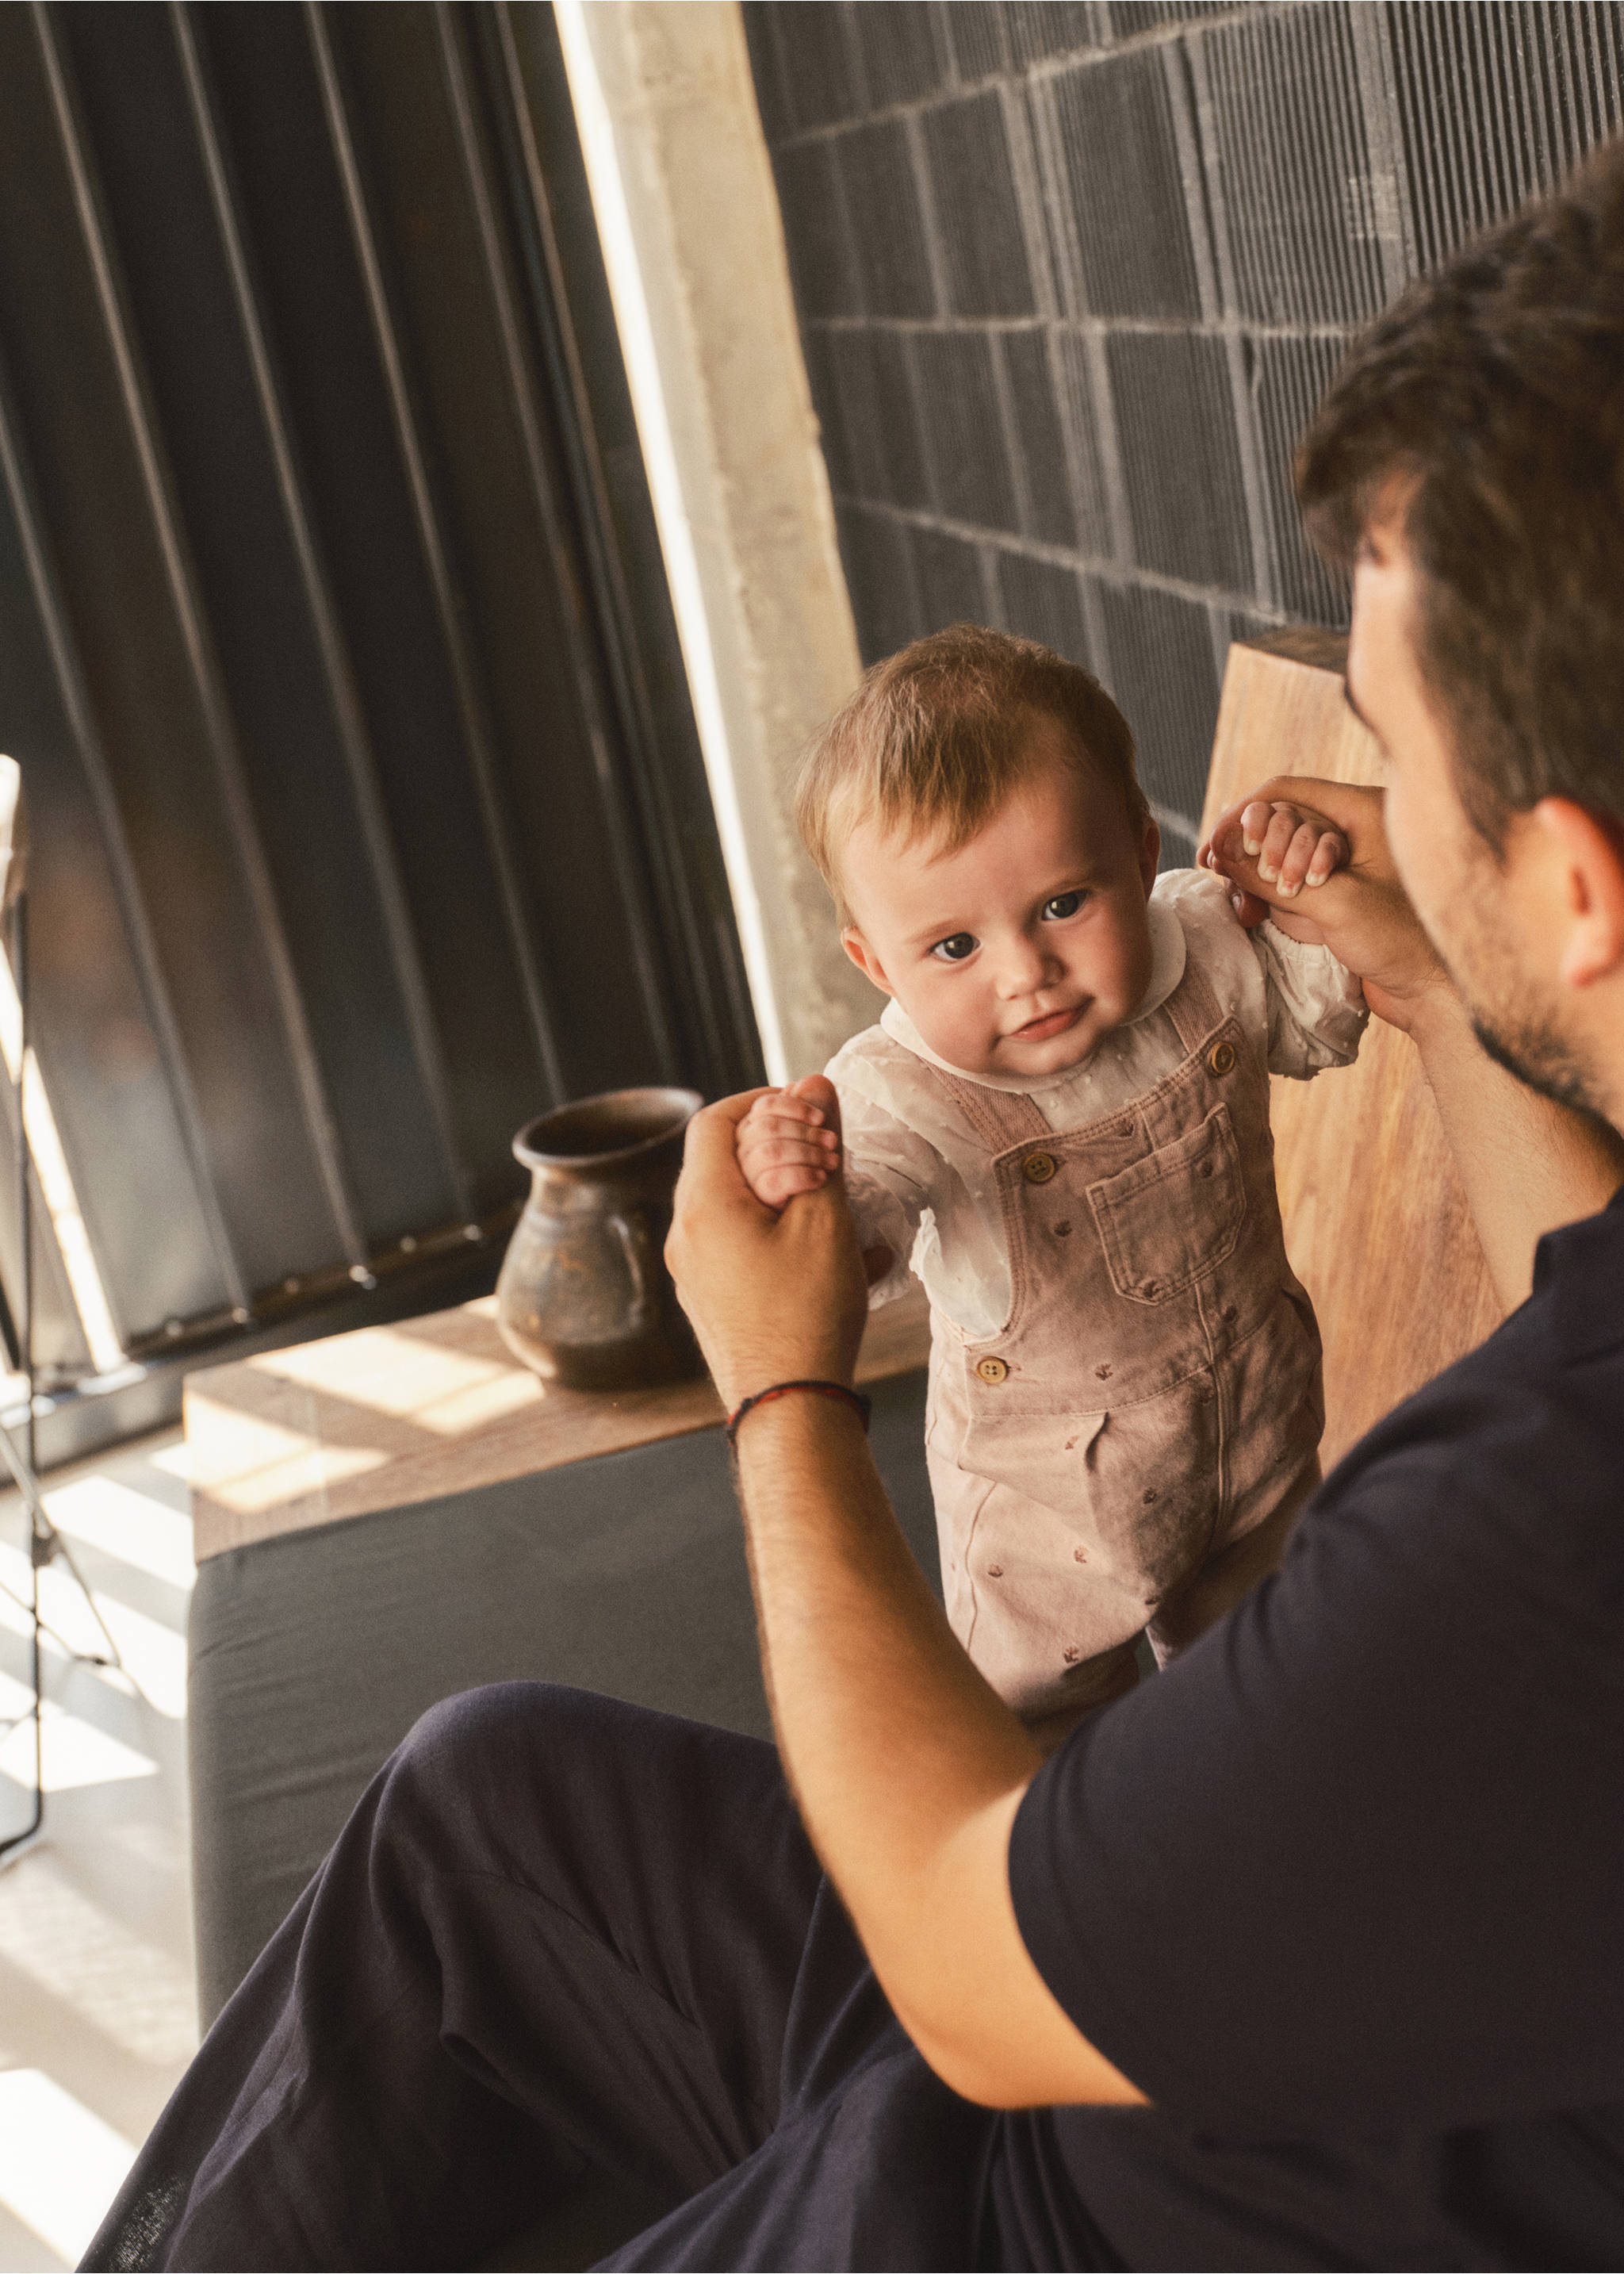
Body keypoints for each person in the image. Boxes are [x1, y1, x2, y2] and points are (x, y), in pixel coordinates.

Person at [87, 144, 1624, 2272]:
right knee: (477, 1802)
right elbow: (1565, 1288)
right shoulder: (1559, 1420)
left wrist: (781, 1389)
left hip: (1052, 2184)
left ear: (1573, 880)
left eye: (1400, 738)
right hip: (1158, 1985)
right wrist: (1438, 978)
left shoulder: (1535, 1538)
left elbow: (974, 1981)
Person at [735, 628, 1364, 1735]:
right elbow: (861, 1233)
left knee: (1276, 1695)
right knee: (1038, 1741)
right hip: (1045, 1516)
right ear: (877, 963)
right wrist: (807, 1189)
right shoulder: (899, 1095)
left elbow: (1327, 1010)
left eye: (1064, 904)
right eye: (954, 949)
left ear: (1139, 851)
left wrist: (1317, 882)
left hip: (1254, 1439)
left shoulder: (1210, 948)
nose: (1026, 974)